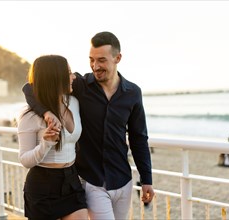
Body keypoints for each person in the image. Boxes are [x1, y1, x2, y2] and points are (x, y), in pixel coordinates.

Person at [23, 32, 154, 219]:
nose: (95, 66)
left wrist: (146, 179)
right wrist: (46, 112)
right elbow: (30, 87)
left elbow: (139, 138)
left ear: (118, 58)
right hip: (92, 181)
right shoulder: (80, 85)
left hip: (123, 179)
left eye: (101, 60)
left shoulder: (133, 93)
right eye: (91, 60)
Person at [17, 55, 88, 220]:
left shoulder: (74, 102)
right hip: (43, 187)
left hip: (71, 180)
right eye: (69, 73)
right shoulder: (29, 115)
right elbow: (25, 160)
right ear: (55, 78)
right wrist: (46, 143)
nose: (74, 77)